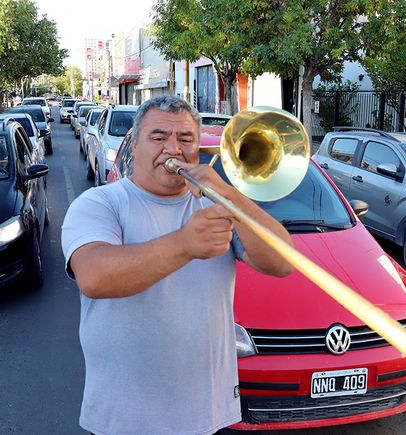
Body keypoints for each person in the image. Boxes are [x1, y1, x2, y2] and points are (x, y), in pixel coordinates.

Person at [61, 96, 295, 435]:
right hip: (123, 417)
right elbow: (94, 277)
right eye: (158, 138)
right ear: (135, 144)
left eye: (185, 139)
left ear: (198, 146)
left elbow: (283, 263)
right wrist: (185, 244)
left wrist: (227, 194)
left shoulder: (215, 205)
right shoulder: (101, 202)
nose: (173, 149)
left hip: (207, 415)